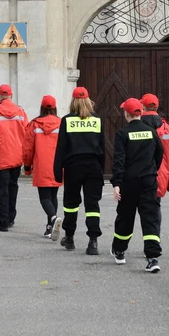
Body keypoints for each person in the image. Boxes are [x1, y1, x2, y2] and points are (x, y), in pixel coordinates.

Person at [110, 98, 164, 272]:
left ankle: (119, 250)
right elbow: (160, 153)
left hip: (129, 181)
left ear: (126, 114)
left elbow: (119, 160)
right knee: (150, 218)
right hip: (149, 180)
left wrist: (117, 183)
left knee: (125, 216)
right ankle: (152, 258)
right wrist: (151, 169)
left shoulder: (122, 134)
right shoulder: (151, 132)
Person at [53, 86, 105, 255]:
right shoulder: (97, 120)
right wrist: (101, 170)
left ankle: (69, 237)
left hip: (73, 167)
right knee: (92, 205)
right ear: (88, 101)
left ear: (73, 101)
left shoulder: (67, 120)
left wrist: (56, 170)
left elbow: (61, 148)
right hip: (93, 167)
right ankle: (93, 241)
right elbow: (103, 147)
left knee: (71, 205)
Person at [0, 84, 28, 232]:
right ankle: (11, 217)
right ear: (11, 95)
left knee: (2, 189)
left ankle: (3, 221)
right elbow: (27, 133)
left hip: (1, 156)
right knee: (13, 186)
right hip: (16, 155)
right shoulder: (20, 112)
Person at [23, 95, 63, 240]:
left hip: (41, 164)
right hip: (57, 164)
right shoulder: (61, 123)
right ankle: (49, 227)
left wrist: (27, 166)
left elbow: (27, 148)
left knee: (44, 197)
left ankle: (53, 219)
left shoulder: (34, 124)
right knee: (53, 195)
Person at [141, 93, 169, 238]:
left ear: (143, 107)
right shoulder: (167, 128)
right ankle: (153, 240)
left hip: (138, 174)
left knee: (131, 209)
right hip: (159, 175)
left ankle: (120, 248)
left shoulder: (136, 125)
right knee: (155, 209)